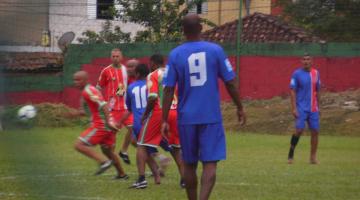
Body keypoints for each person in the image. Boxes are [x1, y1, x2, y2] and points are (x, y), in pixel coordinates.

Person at [161, 14, 246, 200]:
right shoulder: (215, 51)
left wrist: (164, 119)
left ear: (183, 31)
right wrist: (240, 107)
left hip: (186, 117)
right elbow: (230, 82)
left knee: (189, 164)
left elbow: (168, 89)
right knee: (210, 163)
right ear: (201, 28)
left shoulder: (175, 54)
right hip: (210, 116)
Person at [130, 54, 185, 189]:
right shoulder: (173, 73)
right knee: (176, 149)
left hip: (159, 112)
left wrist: (145, 114)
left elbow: (153, 97)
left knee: (141, 144)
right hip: (175, 112)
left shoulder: (153, 75)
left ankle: (142, 179)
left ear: (153, 63)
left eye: (150, 64)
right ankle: (184, 180)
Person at [69, 71, 128, 179]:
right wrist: (72, 114)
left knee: (79, 145)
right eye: (74, 80)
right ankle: (122, 174)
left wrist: (109, 121)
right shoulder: (86, 92)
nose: (76, 82)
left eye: (78, 80)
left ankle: (104, 162)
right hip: (107, 125)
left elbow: (103, 105)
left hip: (101, 125)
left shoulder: (88, 91)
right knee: (108, 151)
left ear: (86, 80)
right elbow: (85, 111)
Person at [96, 48, 133, 165]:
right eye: (113, 56)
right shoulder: (106, 71)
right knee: (111, 137)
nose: (115, 58)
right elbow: (98, 87)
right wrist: (102, 102)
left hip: (125, 108)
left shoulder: (126, 71)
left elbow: (127, 87)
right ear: (110, 57)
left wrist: (122, 92)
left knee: (133, 128)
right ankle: (112, 161)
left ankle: (124, 151)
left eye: (117, 56)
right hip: (112, 109)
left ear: (121, 57)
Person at [288, 54, 321, 164]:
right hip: (301, 107)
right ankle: (291, 152)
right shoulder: (296, 74)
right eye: (304, 59)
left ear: (312, 61)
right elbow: (292, 91)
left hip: (313, 108)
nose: (306, 61)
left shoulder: (316, 73)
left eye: (308, 59)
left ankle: (312, 158)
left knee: (315, 131)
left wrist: (319, 107)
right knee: (299, 130)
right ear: (301, 61)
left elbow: (318, 91)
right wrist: (294, 108)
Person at [117, 59, 140, 164]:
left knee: (136, 140)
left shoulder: (145, 79)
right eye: (128, 66)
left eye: (132, 66)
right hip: (129, 111)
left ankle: (123, 151)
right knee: (135, 138)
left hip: (141, 112)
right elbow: (119, 94)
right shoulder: (124, 80)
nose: (129, 69)